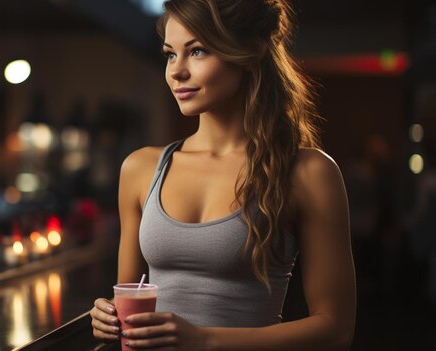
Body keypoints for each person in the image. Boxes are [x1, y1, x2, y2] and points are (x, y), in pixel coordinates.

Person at [90, 0, 356, 349]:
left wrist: (203, 339)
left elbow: (335, 331)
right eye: (171, 54)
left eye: (197, 51)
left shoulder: (308, 173)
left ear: (250, 51)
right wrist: (107, 317)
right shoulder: (141, 169)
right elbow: (131, 298)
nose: (176, 72)